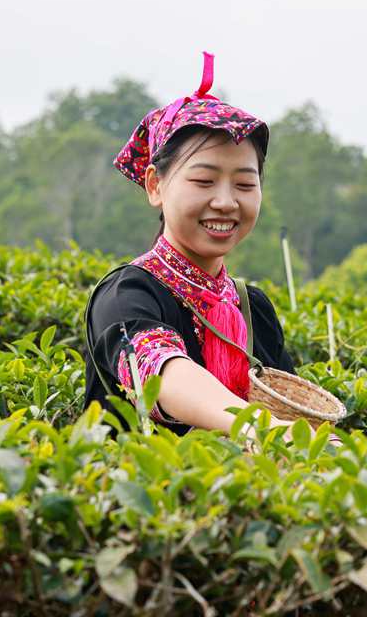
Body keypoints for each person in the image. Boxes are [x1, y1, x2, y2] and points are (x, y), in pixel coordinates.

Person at [83, 52, 305, 444]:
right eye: (204, 181)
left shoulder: (254, 310)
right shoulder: (127, 294)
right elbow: (162, 372)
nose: (225, 202)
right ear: (155, 185)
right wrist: (264, 428)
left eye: (244, 184)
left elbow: (290, 410)